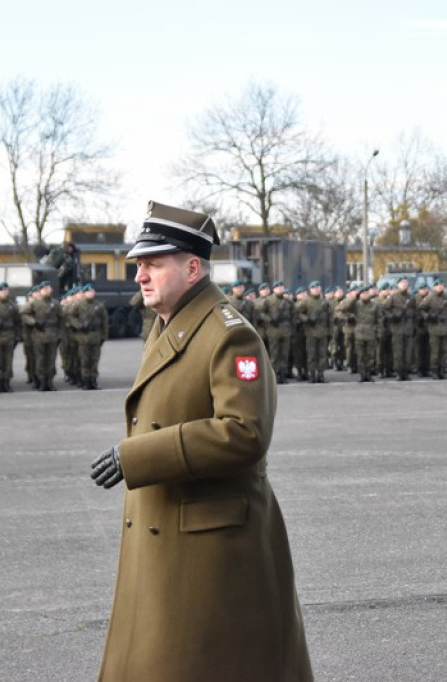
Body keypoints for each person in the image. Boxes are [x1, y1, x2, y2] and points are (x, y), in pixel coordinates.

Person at [89, 201, 313, 682]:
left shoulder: (229, 335)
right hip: (173, 532)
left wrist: (139, 456)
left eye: (153, 264)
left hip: (210, 546)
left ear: (193, 268)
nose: (140, 276)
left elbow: (244, 432)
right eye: (139, 265)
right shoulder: (170, 325)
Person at [20, 280, 62, 391]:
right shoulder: (34, 304)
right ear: (40, 291)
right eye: (44, 289)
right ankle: (42, 381)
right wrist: (34, 322)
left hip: (53, 335)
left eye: (48, 288)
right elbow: (23, 314)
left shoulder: (55, 304)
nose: (47, 290)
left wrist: (60, 334)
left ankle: (50, 381)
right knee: (40, 360)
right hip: (39, 335)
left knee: (51, 360)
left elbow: (62, 319)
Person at [66, 283, 109, 389]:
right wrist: (79, 325)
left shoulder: (98, 305)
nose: (91, 293)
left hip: (95, 336)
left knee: (94, 360)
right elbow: (70, 317)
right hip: (83, 337)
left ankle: (93, 381)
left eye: (92, 291)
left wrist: (103, 336)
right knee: (84, 360)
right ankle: (85, 381)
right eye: (88, 291)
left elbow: (104, 321)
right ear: (84, 293)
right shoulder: (78, 305)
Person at [295, 280, 330, 383]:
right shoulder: (306, 301)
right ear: (310, 290)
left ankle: (321, 374)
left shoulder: (324, 301)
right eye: (314, 288)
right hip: (311, 332)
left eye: (318, 287)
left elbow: (329, 316)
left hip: (322, 331)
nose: (316, 289)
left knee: (322, 354)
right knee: (312, 354)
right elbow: (297, 312)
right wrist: (307, 319)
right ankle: (312, 374)